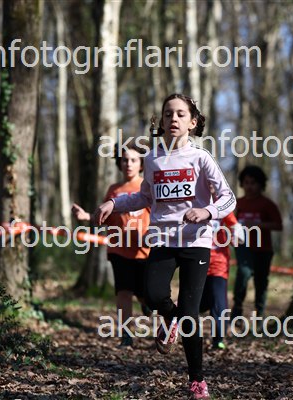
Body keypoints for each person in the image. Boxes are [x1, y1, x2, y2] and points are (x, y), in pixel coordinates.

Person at [95, 94, 236, 400]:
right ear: (161, 120)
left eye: (181, 114)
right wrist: (114, 203)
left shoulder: (201, 158)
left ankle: (197, 380)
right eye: (168, 114)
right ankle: (170, 320)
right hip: (163, 239)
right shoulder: (152, 159)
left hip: (196, 242)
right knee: (153, 294)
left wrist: (206, 212)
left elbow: (228, 198)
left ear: (193, 122)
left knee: (190, 314)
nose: (173, 119)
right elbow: (144, 197)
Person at [72, 140, 151, 347]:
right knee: (123, 291)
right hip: (119, 250)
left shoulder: (147, 187)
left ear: (142, 164)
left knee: (146, 295)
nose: (129, 164)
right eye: (124, 160)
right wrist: (87, 216)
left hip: (144, 251)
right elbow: (104, 217)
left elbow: (158, 216)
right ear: (119, 163)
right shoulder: (114, 190)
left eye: (133, 160)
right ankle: (126, 335)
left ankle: (146, 304)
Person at [231, 165, 282, 319]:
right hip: (243, 247)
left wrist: (257, 225)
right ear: (242, 184)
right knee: (243, 274)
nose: (249, 187)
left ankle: (259, 315)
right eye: (246, 183)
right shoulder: (237, 203)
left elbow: (278, 225)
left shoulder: (267, 204)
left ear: (261, 184)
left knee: (261, 282)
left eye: (253, 183)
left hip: (263, 249)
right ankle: (237, 309)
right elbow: (231, 223)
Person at [200, 185, 244, 350]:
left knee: (219, 302)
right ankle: (175, 322)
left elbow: (235, 226)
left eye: (213, 183)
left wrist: (237, 236)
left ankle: (218, 339)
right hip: (196, 261)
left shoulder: (222, 205)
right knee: (198, 302)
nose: (210, 187)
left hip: (219, 263)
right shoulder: (194, 203)